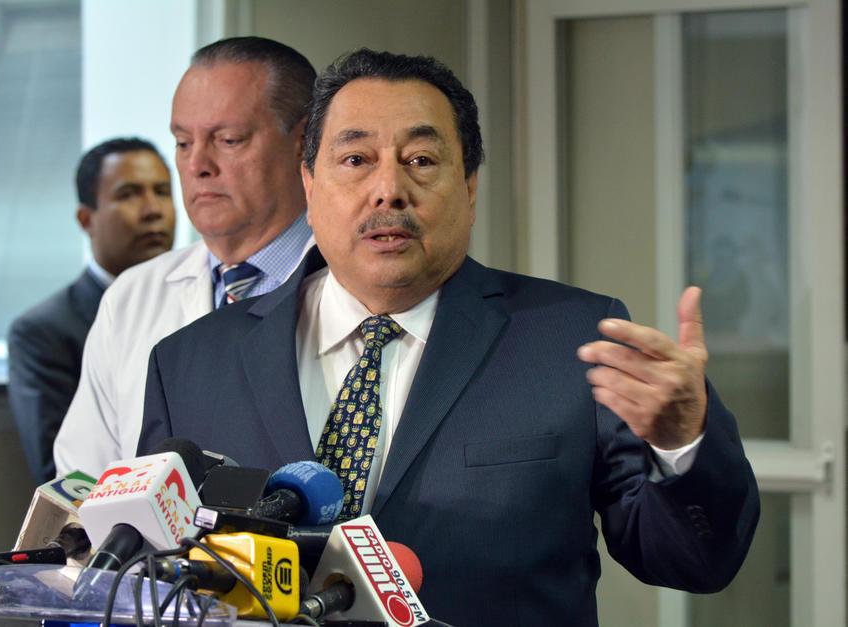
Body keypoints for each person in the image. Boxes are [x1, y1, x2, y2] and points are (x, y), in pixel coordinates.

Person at [137, 49, 759, 625]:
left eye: (421, 161)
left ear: (469, 187)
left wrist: (684, 443)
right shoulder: (191, 363)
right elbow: (150, 575)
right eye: (355, 160)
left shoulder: (570, 342)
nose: (388, 190)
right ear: (308, 182)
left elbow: (691, 562)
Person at [53, 37, 317, 476]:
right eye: (181, 143)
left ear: (304, 142)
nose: (198, 165)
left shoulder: (355, 286)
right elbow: (82, 479)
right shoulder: (132, 296)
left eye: (228, 140)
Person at [8, 137, 176, 483]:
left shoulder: (209, 296)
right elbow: (60, 473)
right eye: (128, 194)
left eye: (161, 191)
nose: (152, 210)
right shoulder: (45, 330)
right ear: (86, 219)